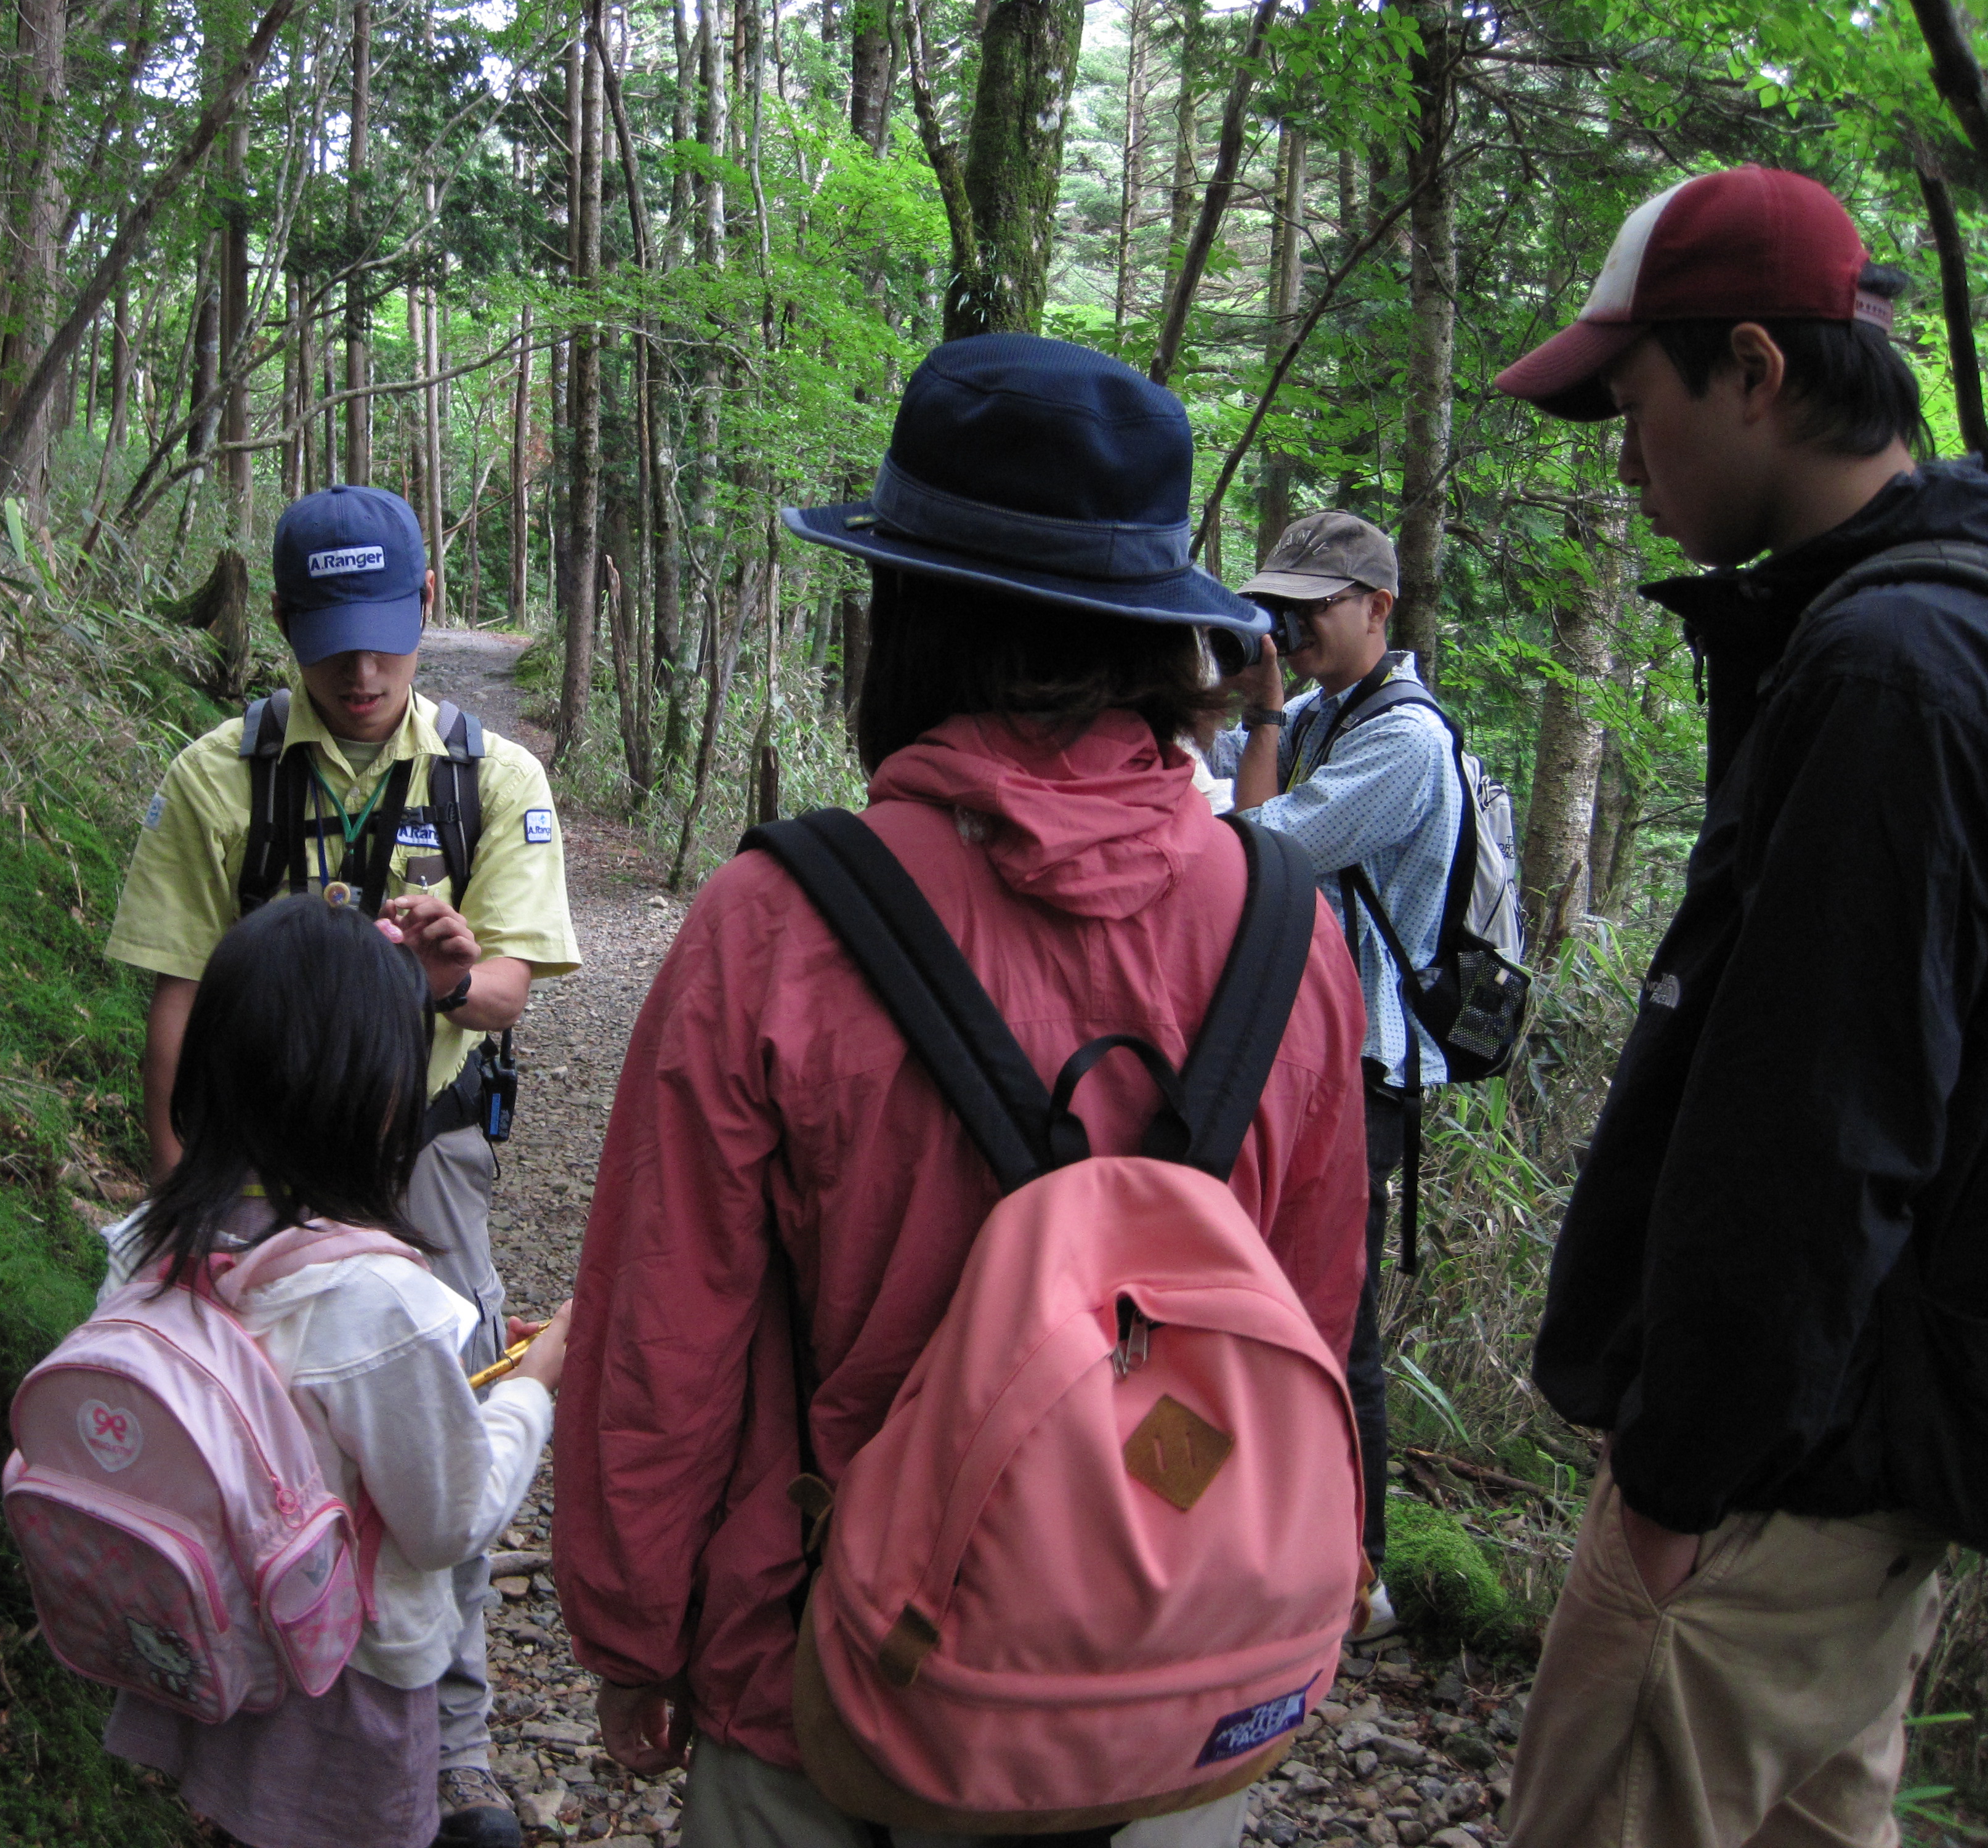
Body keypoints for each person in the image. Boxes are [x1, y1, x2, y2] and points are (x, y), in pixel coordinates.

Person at [552, 333, 1373, 1848]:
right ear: (1159, 638)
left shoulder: (782, 924)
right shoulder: (1284, 925)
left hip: (838, 1685)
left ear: (903, 617)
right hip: (1162, 1688)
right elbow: (1304, 1318)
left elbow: (664, 1336)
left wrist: (632, 1631)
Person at [1492, 164, 1988, 1848]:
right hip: (1875, 1472)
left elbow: (1817, 1124)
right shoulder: (1953, 622)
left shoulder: (1888, 672)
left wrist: (1674, 1486)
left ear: (1756, 373)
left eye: (1636, 404)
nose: (1624, 457)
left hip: (1765, 1500)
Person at [106, 484, 581, 1846]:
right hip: (249, 1163)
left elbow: (509, 992)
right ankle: (239, 1704)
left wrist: (447, 981)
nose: (362, 675)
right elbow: (178, 1007)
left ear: (426, 610)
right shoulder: (220, 777)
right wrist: (178, 1201)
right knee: (250, 1436)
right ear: (284, 627)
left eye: (384, 638)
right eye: (331, 645)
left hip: (419, 1157)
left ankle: (457, 1745)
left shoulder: (494, 778)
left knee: (441, 1418)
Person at [97, 896, 570, 1848]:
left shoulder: (149, 1245)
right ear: (381, 1091)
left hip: (205, 1641)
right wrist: (537, 1379)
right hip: (342, 1678)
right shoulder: (375, 1301)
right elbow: (448, 1520)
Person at [1206, 509, 1464, 1634]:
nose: (1291, 624)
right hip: (1308, 1057)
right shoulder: (1322, 714)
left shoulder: (1402, 741)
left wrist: (1261, 719)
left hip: (1368, 1065)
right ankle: (1270, 1536)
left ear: (1379, 608)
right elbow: (1202, 774)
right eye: (1277, 604)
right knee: (1271, 1294)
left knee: (1332, 1313)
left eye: (1313, 605)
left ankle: (1360, 1573)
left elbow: (1257, 856)